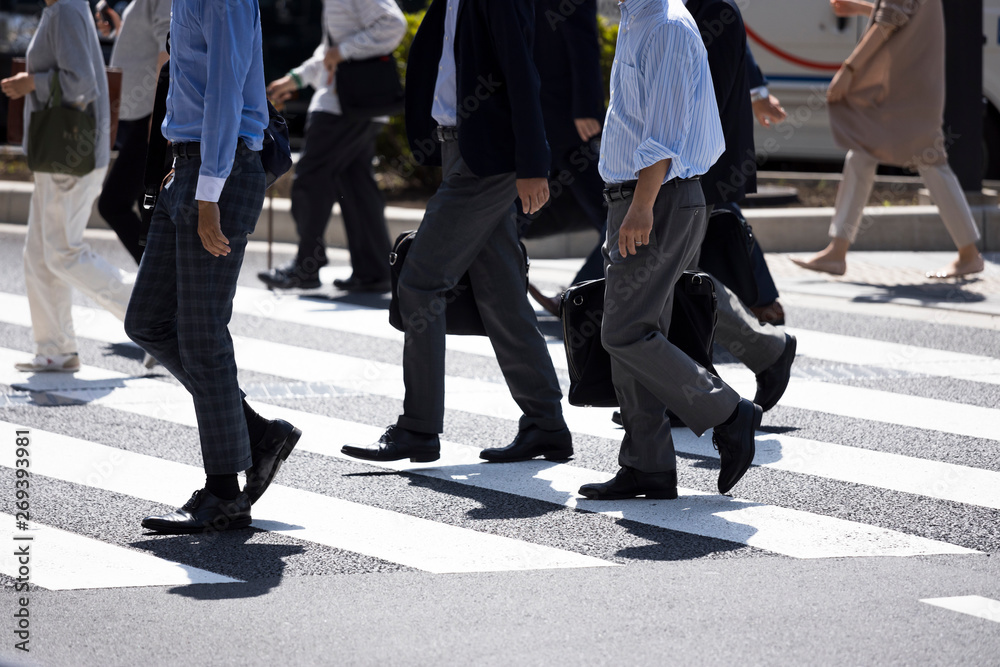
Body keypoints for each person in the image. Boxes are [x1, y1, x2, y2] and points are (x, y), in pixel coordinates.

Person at [341, 0, 573, 465]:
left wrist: (533, 162)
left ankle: (419, 429)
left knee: (420, 280)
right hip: (461, 150)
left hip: (486, 162)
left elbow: (522, 71)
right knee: (503, 295)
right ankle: (546, 425)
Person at [126, 0, 301, 533]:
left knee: (203, 336)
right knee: (148, 322)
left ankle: (226, 494)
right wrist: (178, 171)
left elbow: (226, 96)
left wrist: (207, 195)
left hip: (220, 172)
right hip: (189, 165)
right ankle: (253, 430)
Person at [578, 0, 759, 501]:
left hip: (657, 200)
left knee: (624, 331)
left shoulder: (666, 26)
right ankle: (648, 465)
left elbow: (663, 133)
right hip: (640, 198)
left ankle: (728, 411)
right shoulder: (638, 17)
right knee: (637, 331)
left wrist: (641, 207)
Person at [792, 0, 985, 280]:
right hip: (911, 82)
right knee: (864, 154)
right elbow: (903, 11)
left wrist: (849, 70)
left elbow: (890, 19)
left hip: (906, 87)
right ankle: (837, 251)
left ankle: (969, 254)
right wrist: (860, 8)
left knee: (929, 161)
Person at [2, 0, 134, 374]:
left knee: (61, 252)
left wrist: (32, 82)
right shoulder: (60, 8)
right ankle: (56, 349)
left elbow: (82, 85)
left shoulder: (66, 9)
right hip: (58, 156)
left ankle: (152, 317)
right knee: (38, 256)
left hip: (69, 156)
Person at [683, 0, 797, 412]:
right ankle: (681, 387)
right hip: (683, 168)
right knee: (676, 278)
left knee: (672, 277)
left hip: (695, 170)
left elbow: (700, 102)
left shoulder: (713, 9)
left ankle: (764, 353)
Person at [257, 0, 406, 293]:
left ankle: (307, 266)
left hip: (341, 108)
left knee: (310, 182)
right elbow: (330, 52)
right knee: (356, 187)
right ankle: (374, 271)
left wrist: (344, 52)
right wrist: (296, 79)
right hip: (358, 106)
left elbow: (393, 24)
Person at [522, 0, 607, 317]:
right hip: (554, 119)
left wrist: (586, 107)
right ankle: (577, 300)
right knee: (615, 217)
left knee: (616, 217)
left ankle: (577, 299)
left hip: (563, 121)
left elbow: (581, 40)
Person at [94, 0, 170, 267]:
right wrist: (119, 27)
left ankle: (157, 276)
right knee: (148, 206)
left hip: (149, 118)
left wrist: (160, 112)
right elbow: (146, 43)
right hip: (137, 116)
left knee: (113, 204)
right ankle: (162, 283)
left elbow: (168, 47)